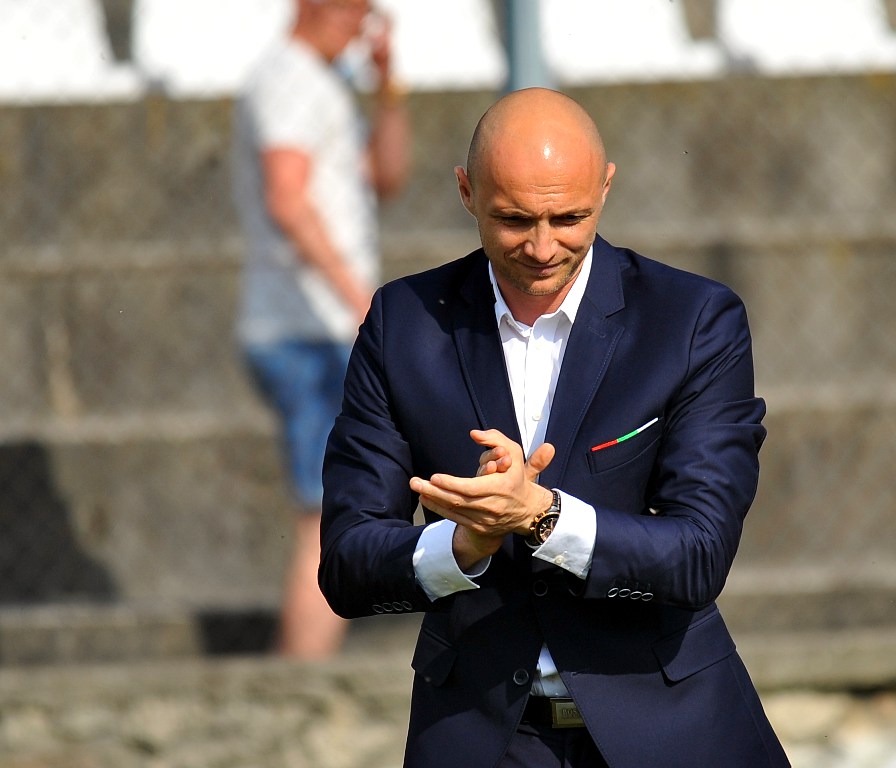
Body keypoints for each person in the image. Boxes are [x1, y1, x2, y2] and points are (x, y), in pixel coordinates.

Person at [319, 88, 788, 766]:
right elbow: (347, 565)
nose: (543, 247)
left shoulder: (690, 321)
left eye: (569, 218)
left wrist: (541, 516)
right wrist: (461, 546)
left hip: (672, 731)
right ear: (466, 192)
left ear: (606, 187)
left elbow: (700, 553)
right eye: (514, 220)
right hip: (481, 737)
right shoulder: (403, 325)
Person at [232, 0, 408, 658]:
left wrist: (388, 86)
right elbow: (287, 196)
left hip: (318, 328)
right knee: (330, 514)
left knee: (337, 508)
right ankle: (296, 682)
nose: (364, 23)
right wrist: (356, 299)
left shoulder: (322, 80)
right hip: (306, 331)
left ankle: (294, 675)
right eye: (356, 9)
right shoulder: (288, 77)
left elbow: (385, 177)